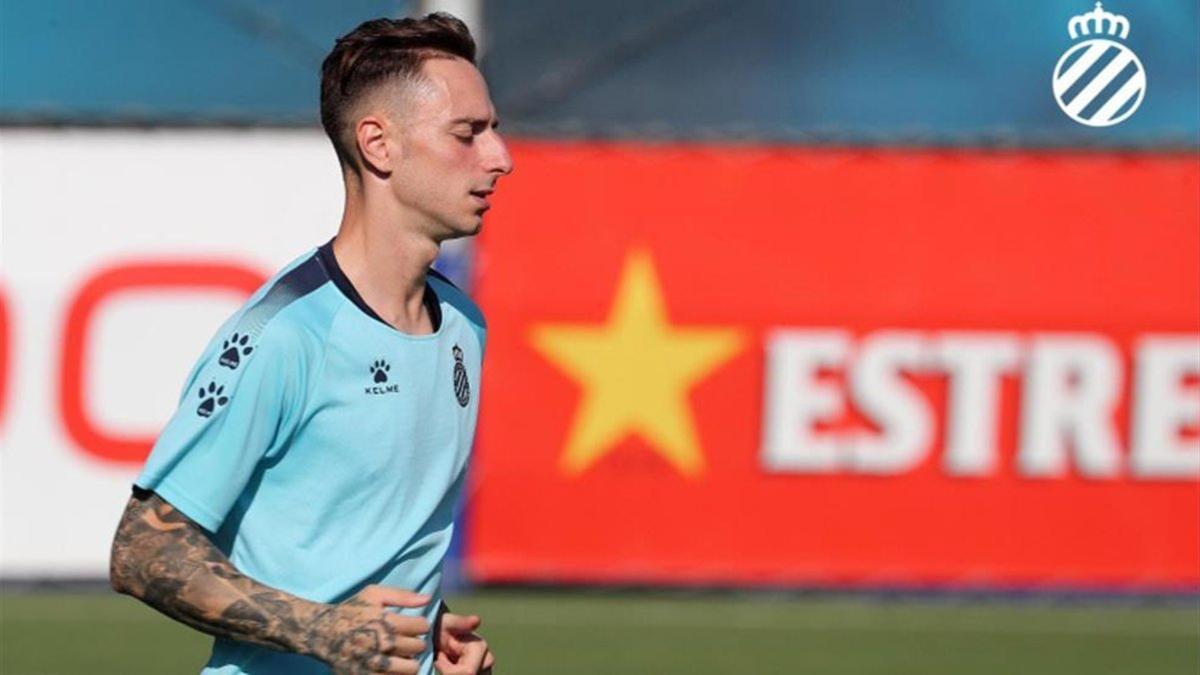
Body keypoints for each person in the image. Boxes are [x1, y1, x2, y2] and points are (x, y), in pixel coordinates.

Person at [108, 13, 512, 675]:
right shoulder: (286, 334)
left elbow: (358, 554)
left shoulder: (465, 325)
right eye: (469, 133)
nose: (501, 156)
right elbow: (144, 552)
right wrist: (323, 630)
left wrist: (425, 638)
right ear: (379, 145)